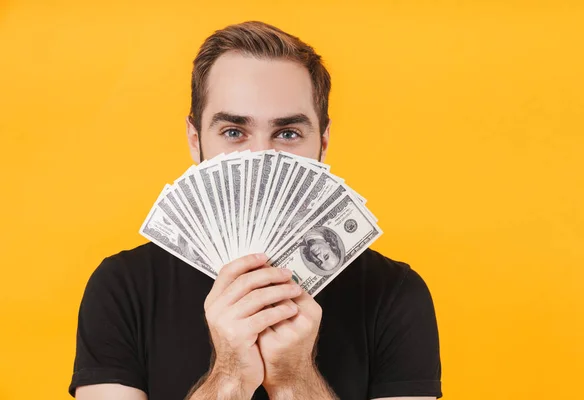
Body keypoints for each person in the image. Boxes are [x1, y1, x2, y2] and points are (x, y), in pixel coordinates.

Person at [69, 21, 442, 400]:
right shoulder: (121, 288)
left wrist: (294, 379)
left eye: (288, 133)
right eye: (233, 132)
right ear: (195, 140)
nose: (261, 158)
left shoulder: (393, 293)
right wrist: (229, 376)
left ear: (323, 143)